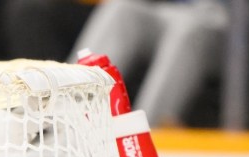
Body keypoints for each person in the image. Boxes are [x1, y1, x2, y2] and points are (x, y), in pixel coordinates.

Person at [69, 0, 228, 127]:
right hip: (177, 9)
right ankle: (62, 116)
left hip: (228, 20)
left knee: (188, 29)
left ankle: (146, 134)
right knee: (122, 8)